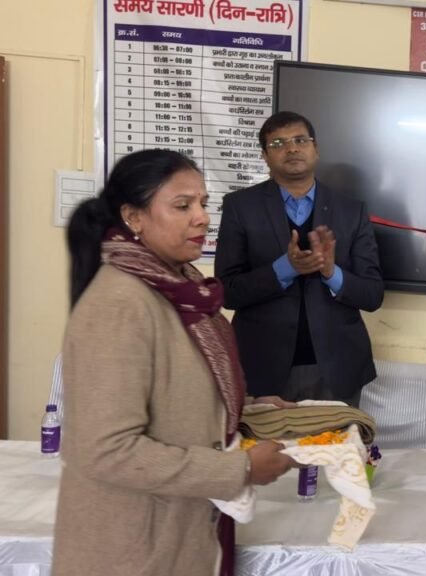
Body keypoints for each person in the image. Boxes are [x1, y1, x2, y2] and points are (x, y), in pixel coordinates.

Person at [54, 149, 294, 576]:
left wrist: (248, 410)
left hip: (180, 532)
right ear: (133, 217)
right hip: (130, 550)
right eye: (183, 206)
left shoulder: (184, 290)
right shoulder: (120, 304)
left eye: (203, 203)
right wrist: (239, 469)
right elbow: (107, 450)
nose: (202, 218)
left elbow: (178, 393)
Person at [215, 111, 384, 406]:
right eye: (278, 143)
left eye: (300, 140)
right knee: (265, 439)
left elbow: (372, 295)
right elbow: (227, 292)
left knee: (338, 439)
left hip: (338, 368)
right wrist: (285, 269)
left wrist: (331, 272)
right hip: (262, 368)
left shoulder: (351, 210)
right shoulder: (240, 207)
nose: (291, 148)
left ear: (315, 149)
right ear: (264, 156)